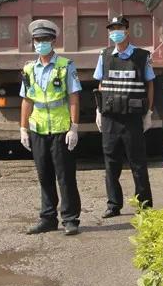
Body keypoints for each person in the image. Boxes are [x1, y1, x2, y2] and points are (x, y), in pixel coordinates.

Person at [19, 19, 82, 235]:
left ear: (54, 41)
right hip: (38, 130)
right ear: (33, 42)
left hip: (60, 129)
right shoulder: (28, 69)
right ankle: (48, 218)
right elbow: (27, 99)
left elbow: (73, 97)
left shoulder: (65, 66)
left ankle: (70, 219)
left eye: (45, 39)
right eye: (37, 40)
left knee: (65, 176)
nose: (41, 43)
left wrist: (74, 128)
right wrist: (23, 128)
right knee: (44, 175)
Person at [92, 16, 155, 217]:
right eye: (112, 29)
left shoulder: (142, 56)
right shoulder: (105, 55)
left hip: (132, 118)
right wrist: (98, 110)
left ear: (127, 31)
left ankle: (144, 205)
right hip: (110, 117)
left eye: (119, 28)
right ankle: (113, 205)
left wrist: (149, 112)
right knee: (111, 163)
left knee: (137, 163)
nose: (115, 32)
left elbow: (150, 84)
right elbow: (101, 82)